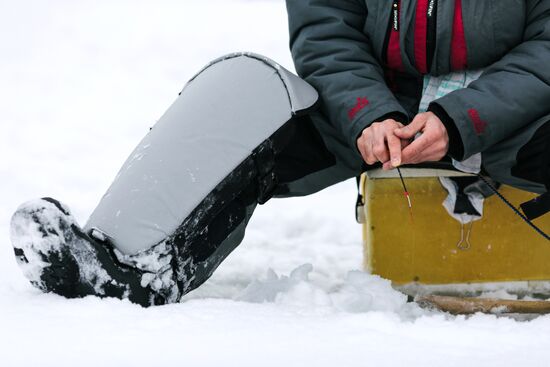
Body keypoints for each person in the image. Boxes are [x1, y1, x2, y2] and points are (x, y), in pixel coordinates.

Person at [10, 0, 550, 306]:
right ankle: (122, 266)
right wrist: (367, 112)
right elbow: (325, 29)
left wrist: (464, 118)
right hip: (374, 113)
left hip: (516, 119)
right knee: (248, 88)